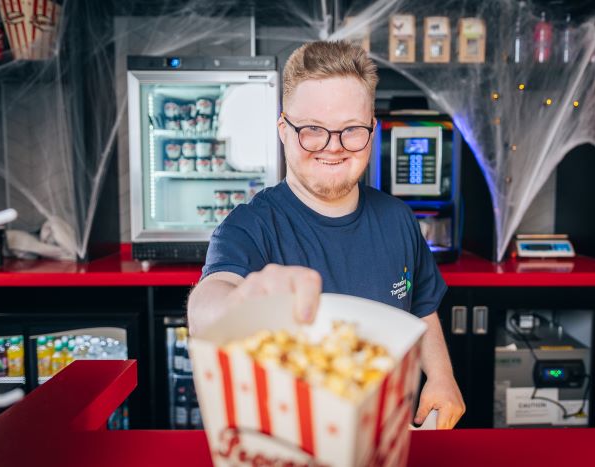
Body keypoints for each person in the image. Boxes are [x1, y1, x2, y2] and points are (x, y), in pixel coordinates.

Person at [187, 40, 465, 429]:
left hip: (386, 435)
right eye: (313, 130)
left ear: (372, 129)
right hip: (292, 443)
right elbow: (210, 301)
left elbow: (421, 308)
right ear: (284, 130)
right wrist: (233, 307)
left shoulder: (399, 219)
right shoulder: (248, 227)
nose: (333, 148)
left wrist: (440, 377)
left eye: (351, 130)